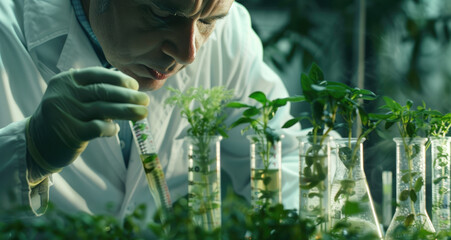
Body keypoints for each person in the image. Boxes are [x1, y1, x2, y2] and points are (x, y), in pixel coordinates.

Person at [0, 0, 301, 226]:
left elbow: (283, 158)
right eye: (162, 14)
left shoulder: (228, 32)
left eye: (208, 21)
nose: (188, 53)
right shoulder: (6, 30)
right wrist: (29, 151)